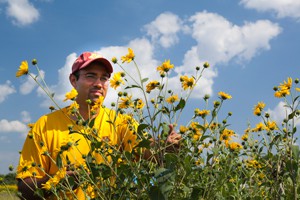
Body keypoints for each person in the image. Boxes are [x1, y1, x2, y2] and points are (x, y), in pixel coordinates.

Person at [16, 52, 181, 200]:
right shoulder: (45, 125)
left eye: (104, 78)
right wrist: (57, 181)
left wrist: (164, 147)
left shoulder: (120, 122)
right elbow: (24, 187)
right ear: (73, 80)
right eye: (90, 76)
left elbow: (147, 150)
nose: (98, 83)